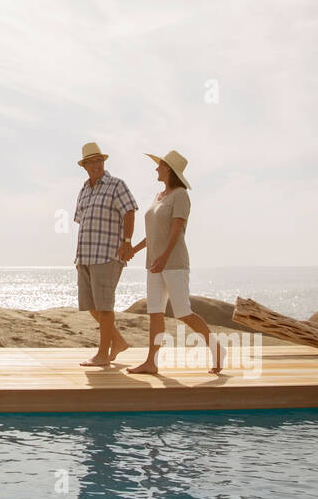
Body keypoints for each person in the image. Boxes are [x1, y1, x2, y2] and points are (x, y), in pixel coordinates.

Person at [126, 150, 224, 375]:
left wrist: (164, 257)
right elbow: (153, 234)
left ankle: (216, 349)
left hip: (174, 263)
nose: (156, 169)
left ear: (168, 169)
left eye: (159, 165)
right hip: (153, 264)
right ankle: (151, 362)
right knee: (155, 313)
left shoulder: (181, 195)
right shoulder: (158, 196)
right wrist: (134, 249)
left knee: (182, 312)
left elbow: (176, 231)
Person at [71, 142, 138, 366]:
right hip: (86, 256)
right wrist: (78, 256)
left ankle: (102, 355)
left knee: (105, 307)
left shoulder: (116, 185)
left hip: (107, 254)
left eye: (99, 160)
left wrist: (127, 242)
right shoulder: (84, 189)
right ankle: (117, 342)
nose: (96, 165)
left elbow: (129, 211)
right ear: (85, 166)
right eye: (91, 162)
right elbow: (82, 222)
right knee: (90, 305)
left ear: (103, 162)